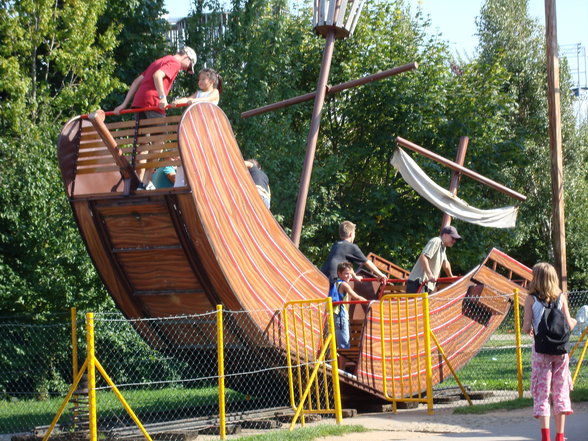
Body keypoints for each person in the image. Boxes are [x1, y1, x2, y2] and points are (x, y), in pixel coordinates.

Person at [523, 262, 577, 441]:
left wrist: (531, 328)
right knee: (560, 392)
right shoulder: (561, 297)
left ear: (535, 278)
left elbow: (525, 328)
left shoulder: (531, 299)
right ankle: (560, 437)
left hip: (541, 352)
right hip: (561, 352)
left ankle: (545, 437)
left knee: (542, 393)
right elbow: (569, 324)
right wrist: (575, 322)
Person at [173, 68, 223, 188]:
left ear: (211, 81)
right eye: (199, 79)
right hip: (195, 127)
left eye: (203, 79)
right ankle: (182, 181)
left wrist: (194, 101)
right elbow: (188, 98)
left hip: (207, 127)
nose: (199, 81)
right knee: (187, 151)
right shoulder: (198, 93)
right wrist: (179, 101)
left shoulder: (214, 92)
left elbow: (207, 100)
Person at [113, 46, 197, 117]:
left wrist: (124, 104)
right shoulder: (176, 63)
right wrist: (162, 98)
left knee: (141, 136)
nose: (186, 69)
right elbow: (157, 75)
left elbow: (136, 81)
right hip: (153, 103)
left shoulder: (159, 61)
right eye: (189, 66)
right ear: (186, 57)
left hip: (138, 103)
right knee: (161, 135)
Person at [321, 221, 387, 284]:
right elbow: (367, 263)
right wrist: (381, 275)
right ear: (351, 234)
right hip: (334, 278)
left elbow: (346, 264)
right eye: (354, 233)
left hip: (323, 274)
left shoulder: (336, 244)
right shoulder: (351, 247)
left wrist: (354, 276)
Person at [406, 225, 460, 293]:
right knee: (417, 304)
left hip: (425, 284)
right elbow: (423, 257)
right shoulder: (436, 241)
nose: (454, 241)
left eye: (455, 239)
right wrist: (430, 275)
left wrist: (451, 276)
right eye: (453, 238)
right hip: (418, 283)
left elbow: (445, 263)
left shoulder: (443, 247)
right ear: (445, 235)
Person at [331, 262, 367, 349]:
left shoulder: (336, 283)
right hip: (341, 316)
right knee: (344, 345)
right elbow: (357, 297)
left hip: (336, 315)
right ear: (339, 274)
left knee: (341, 344)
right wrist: (370, 302)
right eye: (346, 273)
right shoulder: (344, 285)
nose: (349, 276)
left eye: (350, 274)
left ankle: (341, 362)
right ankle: (344, 362)